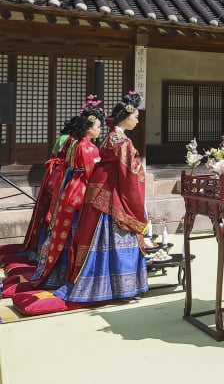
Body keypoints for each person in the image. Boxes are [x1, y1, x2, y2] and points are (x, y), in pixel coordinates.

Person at [56, 92, 149, 304]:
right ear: (126, 117)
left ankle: (101, 285)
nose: (137, 120)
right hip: (114, 193)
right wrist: (140, 175)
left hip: (100, 189)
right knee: (118, 236)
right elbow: (129, 173)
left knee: (97, 238)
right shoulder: (122, 142)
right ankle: (120, 288)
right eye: (135, 116)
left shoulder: (111, 137)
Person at [22, 101, 105, 289]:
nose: (100, 130)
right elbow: (92, 175)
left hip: (70, 189)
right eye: (98, 127)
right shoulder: (90, 148)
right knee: (77, 232)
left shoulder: (76, 144)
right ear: (90, 128)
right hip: (82, 190)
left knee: (63, 232)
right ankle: (76, 273)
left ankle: (57, 271)